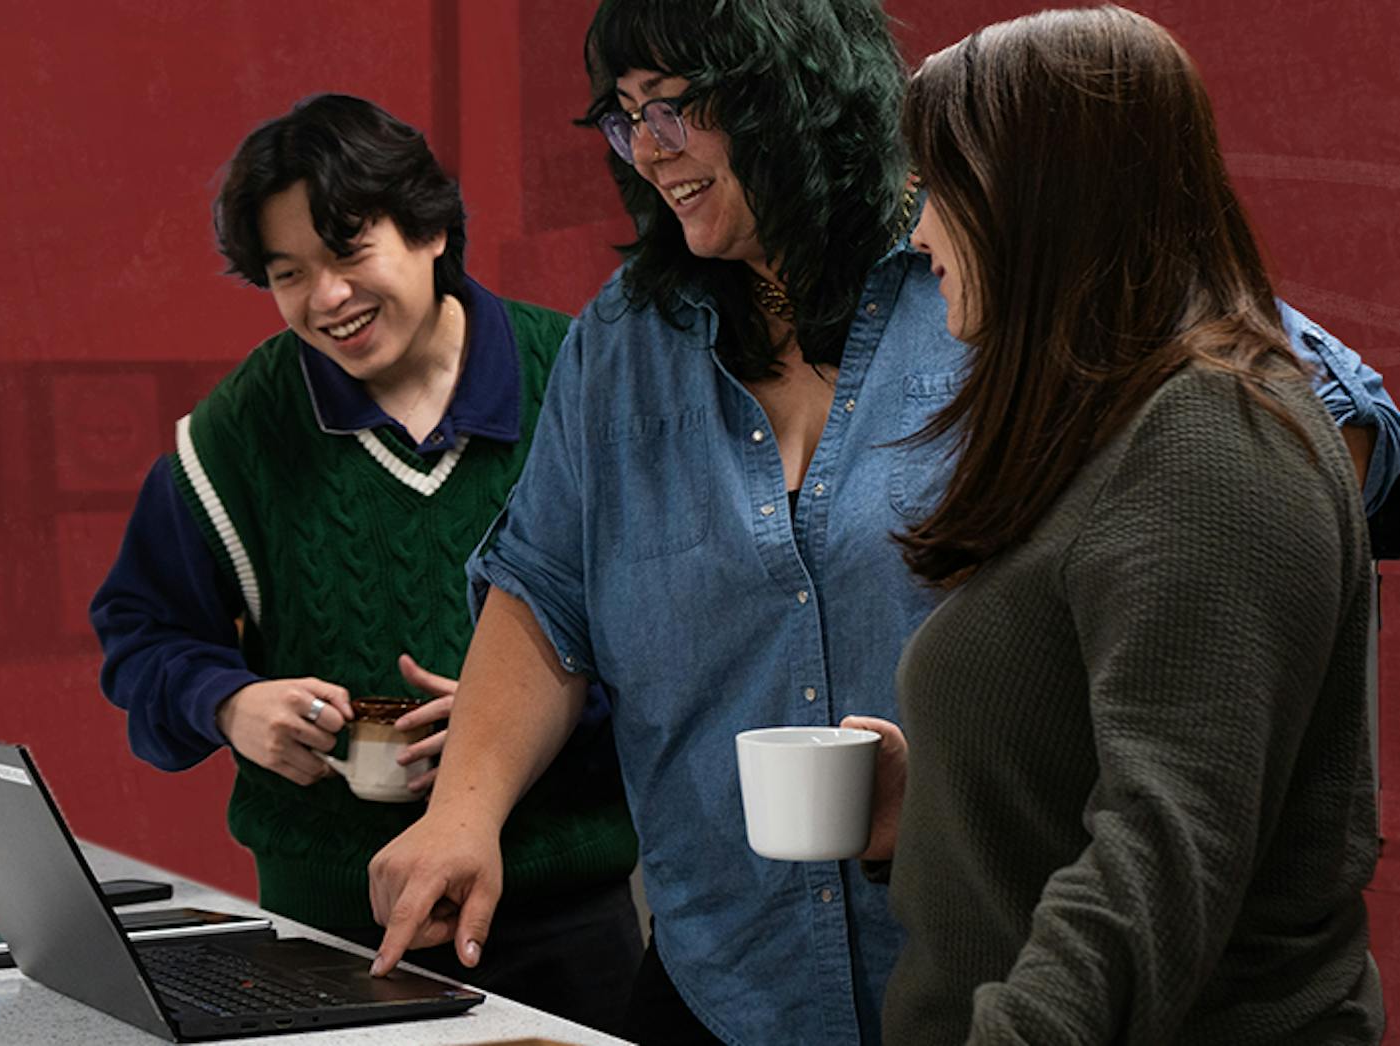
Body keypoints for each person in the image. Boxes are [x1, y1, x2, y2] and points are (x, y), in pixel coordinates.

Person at [366, 2, 1399, 1042]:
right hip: (734, 966)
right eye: (624, 117)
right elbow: (546, 586)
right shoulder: (626, 339)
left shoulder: (1030, 292)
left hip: (1028, 968)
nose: (647, 149)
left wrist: (1223, 592)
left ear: (794, 97)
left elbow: (1308, 414)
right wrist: (463, 812)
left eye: (673, 106)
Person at [847, 8, 1383, 1042]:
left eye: (940, 192)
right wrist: (942, 805)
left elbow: (1163, 852)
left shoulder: (1214, 436)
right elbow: (1127, 762)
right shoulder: (1120, 421)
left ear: (1040, 196)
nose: (918, 235)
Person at [88, 93, 642, 1033]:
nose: (326, 299)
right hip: (325, 931)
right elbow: (139, 634)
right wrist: (228, 704)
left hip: (566, 912)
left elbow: (685, 635)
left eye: (349, 254)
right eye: (288, 274)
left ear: (430, 230)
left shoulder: (582, 377)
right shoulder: (240, 428)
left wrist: (515, 722)